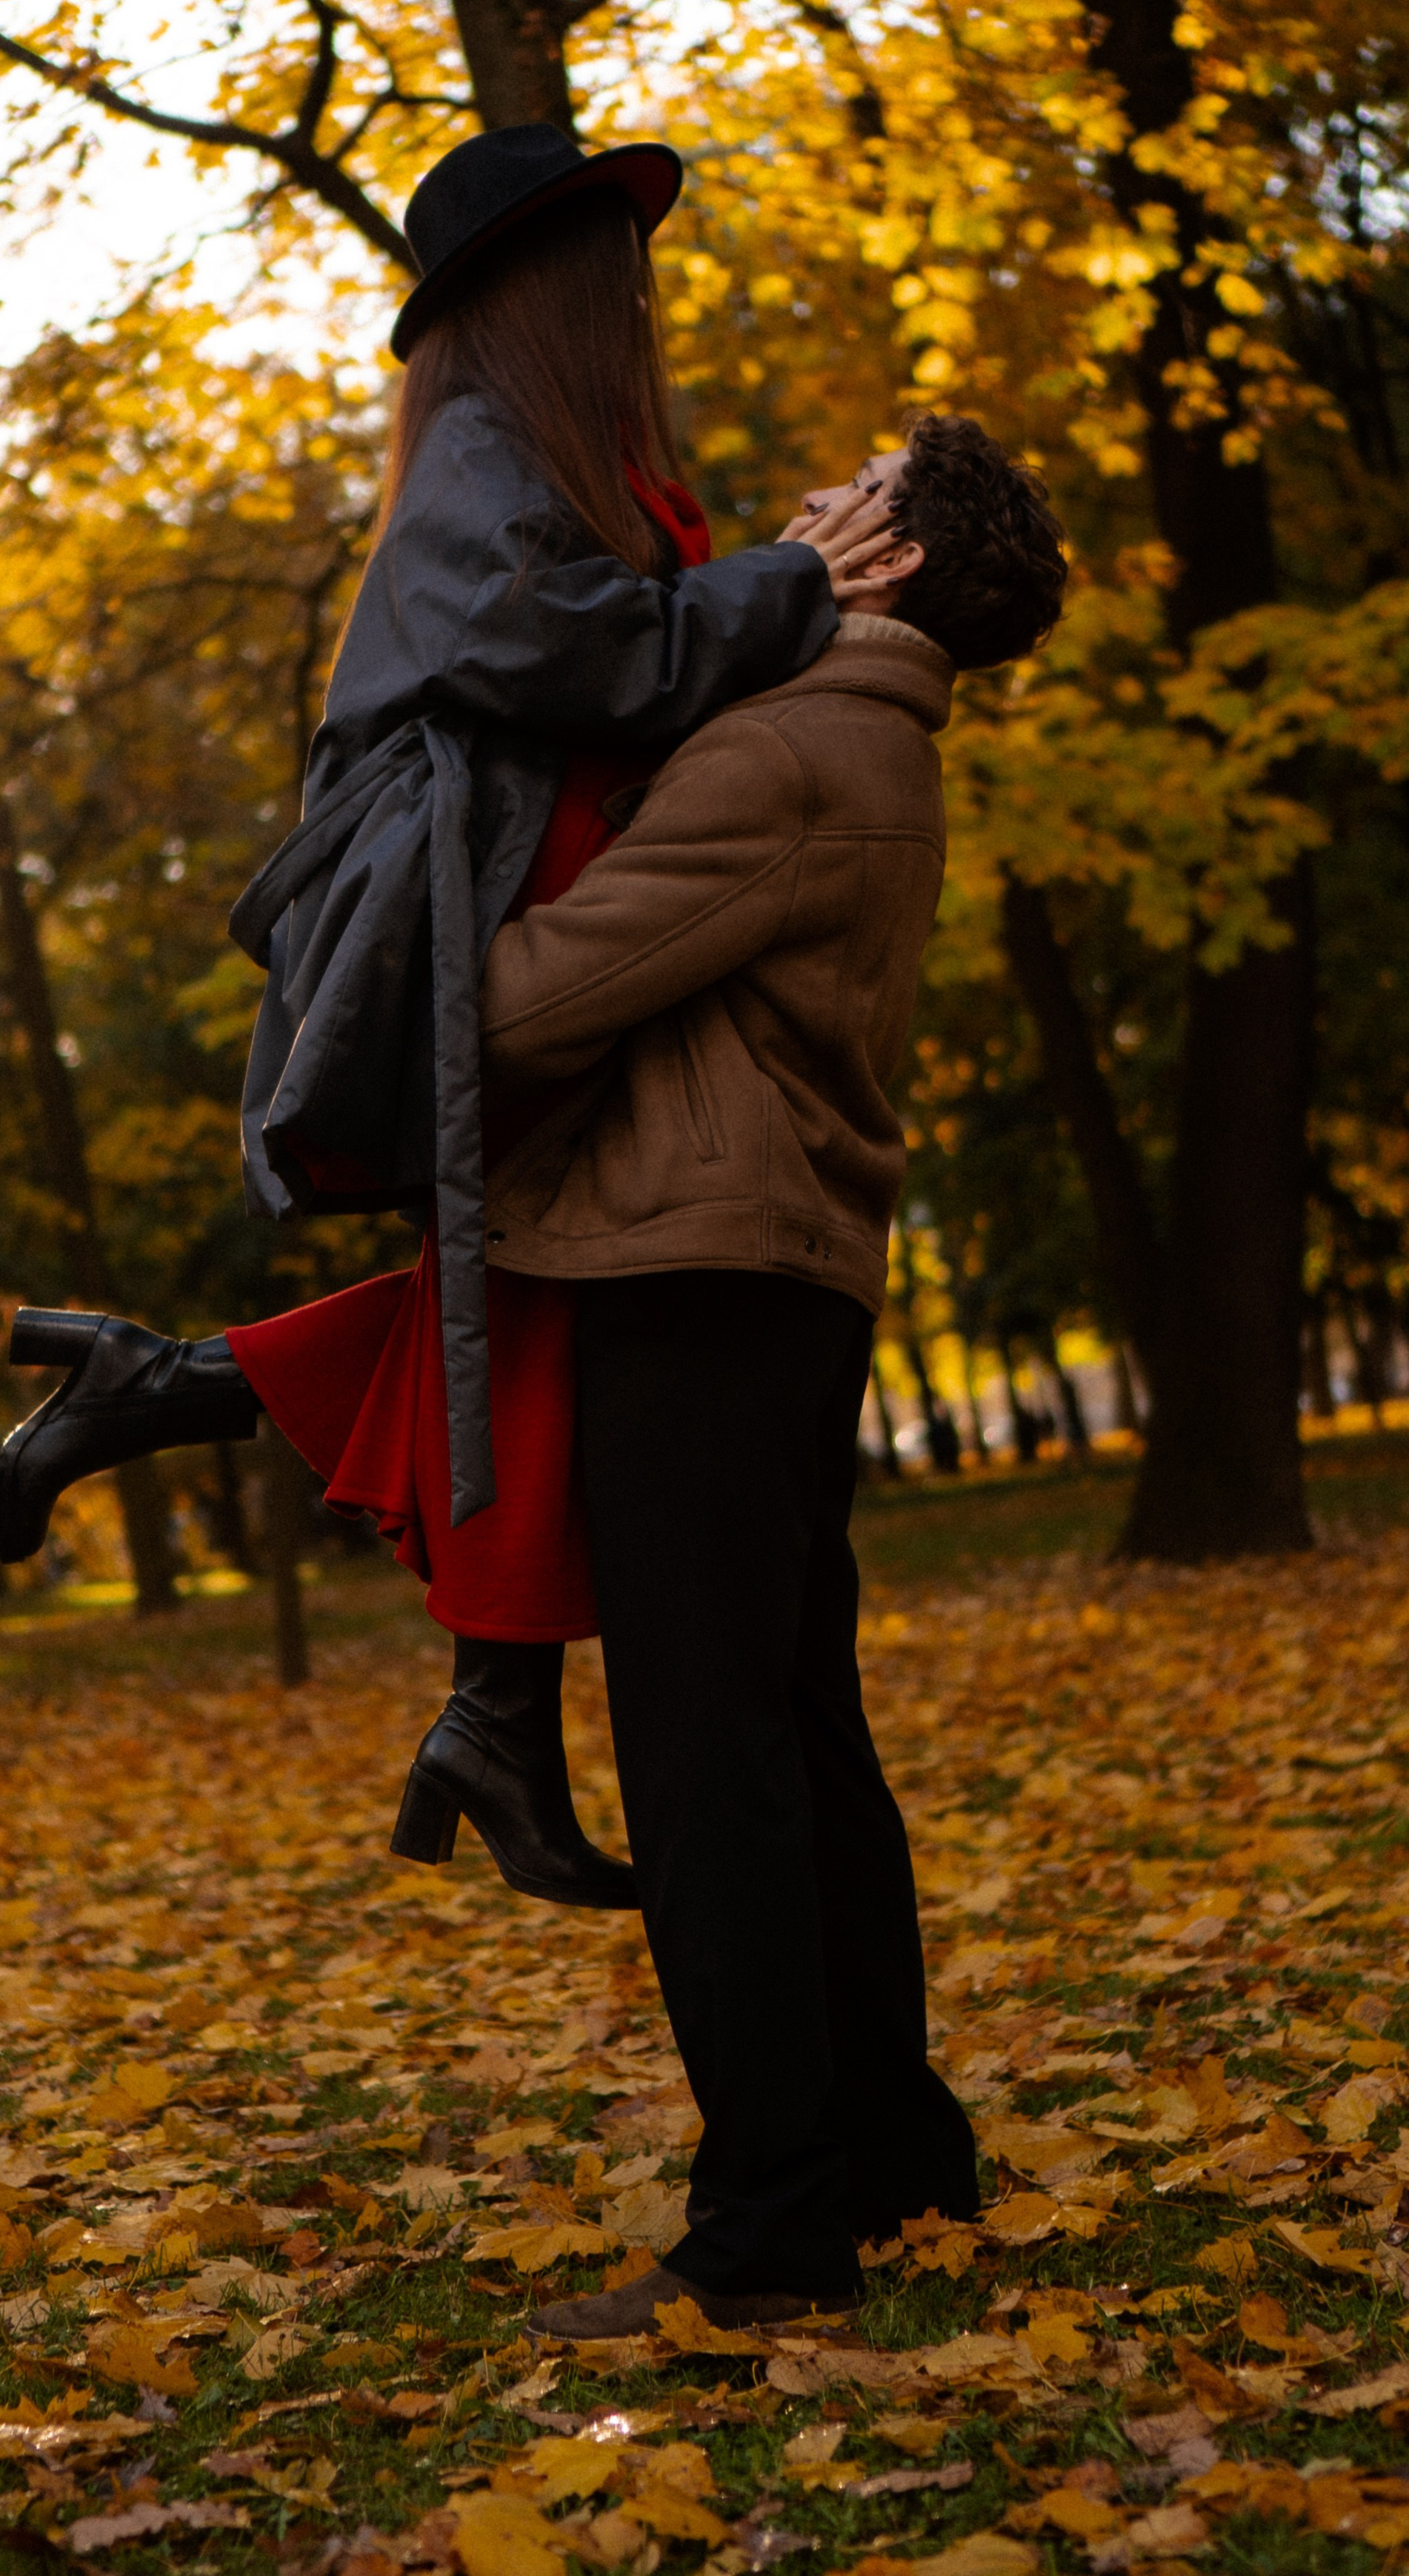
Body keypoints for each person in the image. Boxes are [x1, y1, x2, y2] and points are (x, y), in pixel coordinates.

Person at [0, 122, 902, 1910]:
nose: (637, 300)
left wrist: (769, 590)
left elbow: (622, 646)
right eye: (614, 270)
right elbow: (571, 651)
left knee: (546, 1290)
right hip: (476, 914)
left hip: (519, 890)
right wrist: (797, 591)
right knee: (552, 1280)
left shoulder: (546, 446)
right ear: (547, 290)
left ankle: (412, 1624)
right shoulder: (486, 446)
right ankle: (440, 1655)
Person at [462, 411, 1070, 2332]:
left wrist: (407, 943)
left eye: (849, 497)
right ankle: (893, 2159)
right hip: (776, 1280)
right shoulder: (863, 737)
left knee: (709, 1757)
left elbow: (536, 997)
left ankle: (767, 2233)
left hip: (700, 1277)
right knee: (803, 1740)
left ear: (886, 561)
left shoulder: (796, 750)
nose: (807, 509)